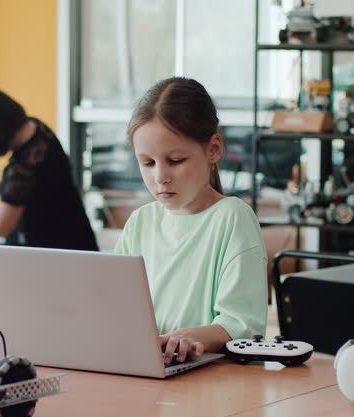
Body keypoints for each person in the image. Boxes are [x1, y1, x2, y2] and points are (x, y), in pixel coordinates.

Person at [114, 77, 267, 365]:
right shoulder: (141, 222)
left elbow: (244, 324)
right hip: (149, 369)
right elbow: (113, 304)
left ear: (213, 150)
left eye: (175, 160)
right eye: (147, 163)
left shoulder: (233, 218)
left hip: (210, 378)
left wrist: (187, 337)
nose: (160, 177)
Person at [0, 87, 98, 251]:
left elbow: (0, 226)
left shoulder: (22, 168)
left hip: (51, 254)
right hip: (77, 241)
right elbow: (33, 187)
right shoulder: (38, 130)